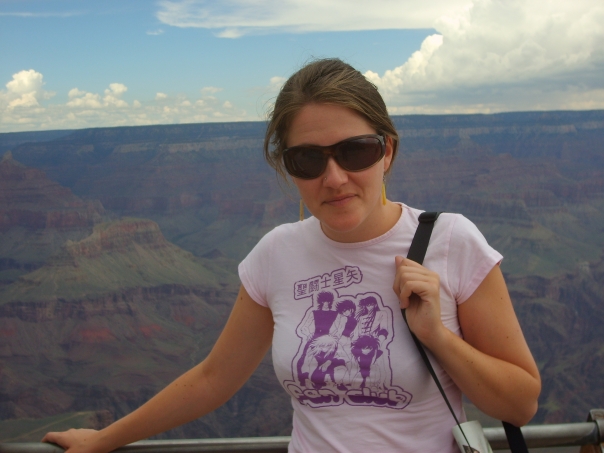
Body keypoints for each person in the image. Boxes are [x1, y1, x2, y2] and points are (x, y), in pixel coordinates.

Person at [43, 58, 540, 452]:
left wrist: (436, 336)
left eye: (355, 151)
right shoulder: (276, 253)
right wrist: (103, 441)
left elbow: (520, 404)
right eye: (308, 159)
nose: (334, 178)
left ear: (387, 150)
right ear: (287, 167)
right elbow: (213, 379)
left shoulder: (451, 241)